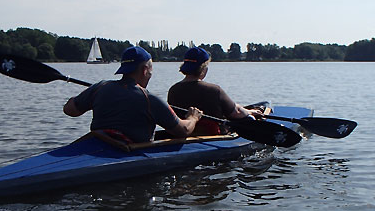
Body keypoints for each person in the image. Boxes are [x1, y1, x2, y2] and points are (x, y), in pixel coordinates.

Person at [63, 46, 203, 143]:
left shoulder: (100, 87)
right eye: (150, 71)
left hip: (97, 144)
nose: (150, 75)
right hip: (128, 151)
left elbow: (69, 110)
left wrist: (81, 97)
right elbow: (183, 130)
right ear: (144, 70)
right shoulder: (149, 99)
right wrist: (193, 118)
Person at [167, 47, 262, 136]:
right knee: (249, 119)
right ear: (203, 69)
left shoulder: (173, 90)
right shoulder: (214, 90)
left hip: (184, 135)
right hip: (212, 135)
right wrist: (249, 112)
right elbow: (236, 113)